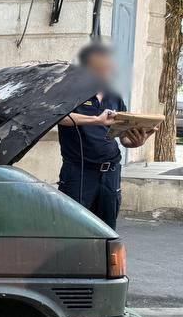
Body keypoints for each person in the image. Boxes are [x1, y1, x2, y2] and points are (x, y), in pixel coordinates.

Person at [56, 41, 155, 229]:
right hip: (79, 173)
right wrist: (96, 120)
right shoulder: (71, 93)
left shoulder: (114, 96)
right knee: (73, 228)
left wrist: (135, 141)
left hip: (110, 173)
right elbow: (59, 118)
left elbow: (123, 136)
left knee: (107, 229)